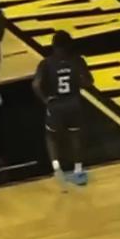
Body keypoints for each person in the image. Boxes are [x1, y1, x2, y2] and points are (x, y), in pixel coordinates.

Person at [32, 31, 92, 187]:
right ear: (69, 45)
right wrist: (77, 83)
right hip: (73, 102)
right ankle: (78, 170)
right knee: (75, 136)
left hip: (56, 104)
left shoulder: (46, 63)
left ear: (53, 46)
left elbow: (36, 85)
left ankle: (57, 168)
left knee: (51, 136)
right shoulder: (78, 60)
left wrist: (45, 100)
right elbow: (88, 82)